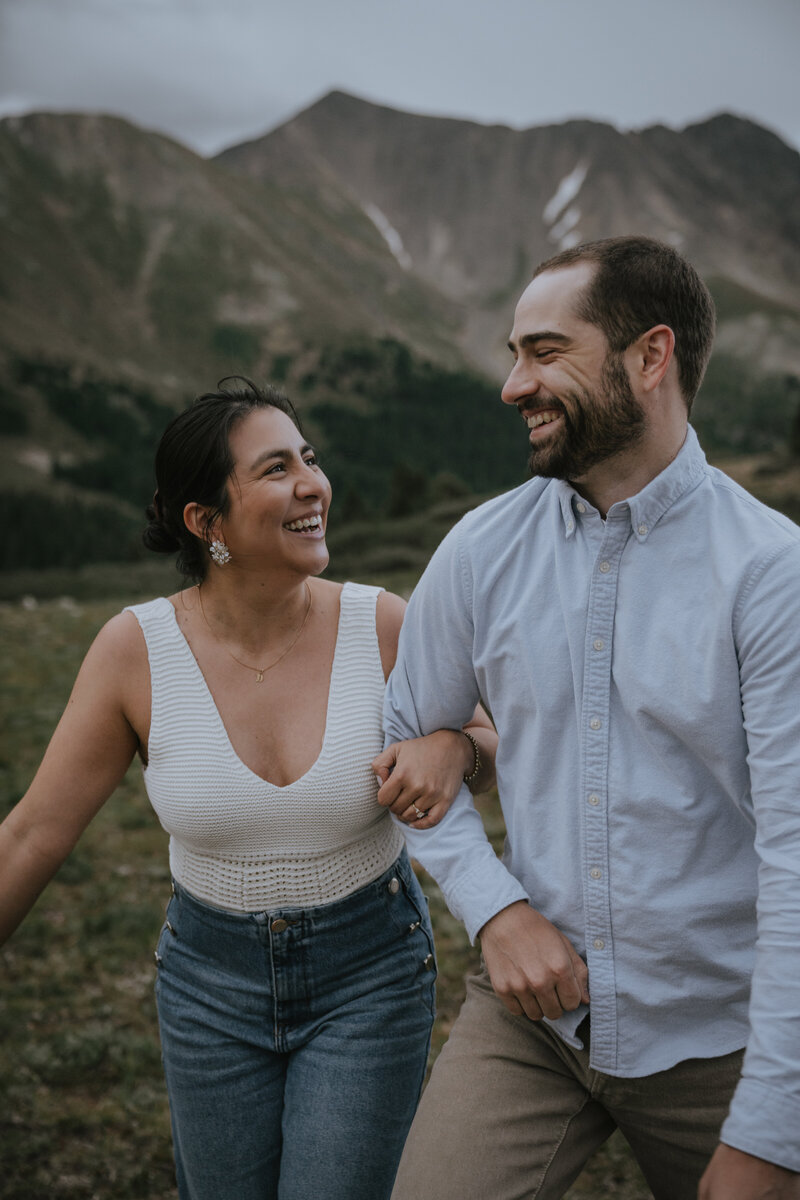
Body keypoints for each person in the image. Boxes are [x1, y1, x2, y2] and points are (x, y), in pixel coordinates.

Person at [0, 377, 497, 1200]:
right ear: (206, 522)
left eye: (310, 458)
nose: (314, 484)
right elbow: (31, 835)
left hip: (369, 974)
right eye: (276, 469)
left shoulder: (382, 624)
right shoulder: (134, 650)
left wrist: (455, 749)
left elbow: (489, 741)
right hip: (206, 984)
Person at [381, 237, 800, 1200]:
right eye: (512, 353)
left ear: (650, 358)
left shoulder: (769, 576)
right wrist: (496, 908)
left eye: (543, 351)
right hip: (530, 1028)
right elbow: (400, 737)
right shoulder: (482, 547)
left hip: (723, 1041)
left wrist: (773, 1132)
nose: (511, 385)